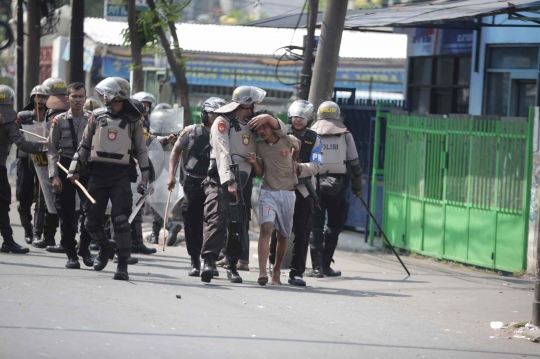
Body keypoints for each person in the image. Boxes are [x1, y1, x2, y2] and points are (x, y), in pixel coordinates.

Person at [201, 86, 288, 284]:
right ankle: (208, 261)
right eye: (252, 104)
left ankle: (232, 265)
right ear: (245, 104)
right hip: (221, 177)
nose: (254, 108)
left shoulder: (253, 123)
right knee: (218, 217)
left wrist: (269, 119)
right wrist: (229, 180)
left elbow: (283, 131)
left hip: (245, 178)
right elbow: (222, 152)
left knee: (239, 223)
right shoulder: (222, 122)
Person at [67, 77, 150, 281]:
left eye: (108, 93)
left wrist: (144, 179)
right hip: (97, 173)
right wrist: (74, 168)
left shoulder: (133, 120)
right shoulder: (96, 116)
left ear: (118, 95)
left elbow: (141, 149)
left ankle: (122, 266)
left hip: (121, 174)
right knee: (91, 222)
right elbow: (84, 145)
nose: (104, 97)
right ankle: (106, 246)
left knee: (121, 220)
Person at [167, 97, 226, 277]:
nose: (215, 118)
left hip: (216, 182)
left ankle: (210, 260)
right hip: (193, 181)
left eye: (219, 114)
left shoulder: (226, 132)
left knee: (215, 221)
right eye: (212, 114)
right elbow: (176, 150)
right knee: (192, 223)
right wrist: (171, 174)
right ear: (204, 114)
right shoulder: (191, 131)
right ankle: (194, 261)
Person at [268, 100, 323, 286]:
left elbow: (316, 165)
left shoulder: (315, 138)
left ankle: (296, 272)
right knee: (277, 229)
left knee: (303, 232)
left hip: (303, 190)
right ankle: (272, 264)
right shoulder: (281, 133)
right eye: (296, 117)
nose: (298, 121)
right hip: (282, 188)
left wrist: (299, 168)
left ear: (309, 119)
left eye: (303, 118)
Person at [309, 101, 362, 277]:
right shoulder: (345, 134)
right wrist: (357, 188)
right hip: (337, 186)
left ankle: (316, 268)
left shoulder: (312, 133)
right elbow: (355, 163)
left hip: (313, 184)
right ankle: (325, 265)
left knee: (315, 225)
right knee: (334, 224)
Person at [247, 121, 300, 285]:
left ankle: (276, 270)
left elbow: (297, 147)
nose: (262, 131)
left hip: (288, 193)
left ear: (272, 127)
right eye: (259, 129)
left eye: (265, 127)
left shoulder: (287, 140)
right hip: (268, 193)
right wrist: (254, 162)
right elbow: (260, 173)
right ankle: (263, 272)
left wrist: (292, 161)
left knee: (283, 236)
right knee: (266, 229)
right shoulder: (259, 146)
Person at [48, 82, 95, 269]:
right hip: (65, 165)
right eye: (74, 96)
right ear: (68, 98)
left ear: (85, 98)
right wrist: (54, 176)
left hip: (86, 167)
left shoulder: (93, 120)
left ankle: (84, 248)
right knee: (66, 213)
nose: (77, 100)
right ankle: (71, 253)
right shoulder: (58, 121)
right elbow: (51, 150)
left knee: (91, 211)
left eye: (81, 96)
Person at [0, 85, 48, 254]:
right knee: (3, 203)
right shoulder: (10, 120)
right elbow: (23, 144)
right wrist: (45, 145)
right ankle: (8, 241)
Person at [31, 77, 70, 252]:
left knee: (59, 203)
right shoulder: (50, 114)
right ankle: (49, 237)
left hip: (61, 162)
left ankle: (64, 240)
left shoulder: (57, 116)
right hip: (51, 162)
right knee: (50, 202)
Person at [15, 85, 49, 245]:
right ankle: (27, 229)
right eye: (38, 96)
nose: (40, 99)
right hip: (26, 160)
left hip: (44, 161)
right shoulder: (23, 117)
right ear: (32, 98)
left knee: (42, 199)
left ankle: (37, 233)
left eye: (43, 96)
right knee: (23, 197)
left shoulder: (51, 117)